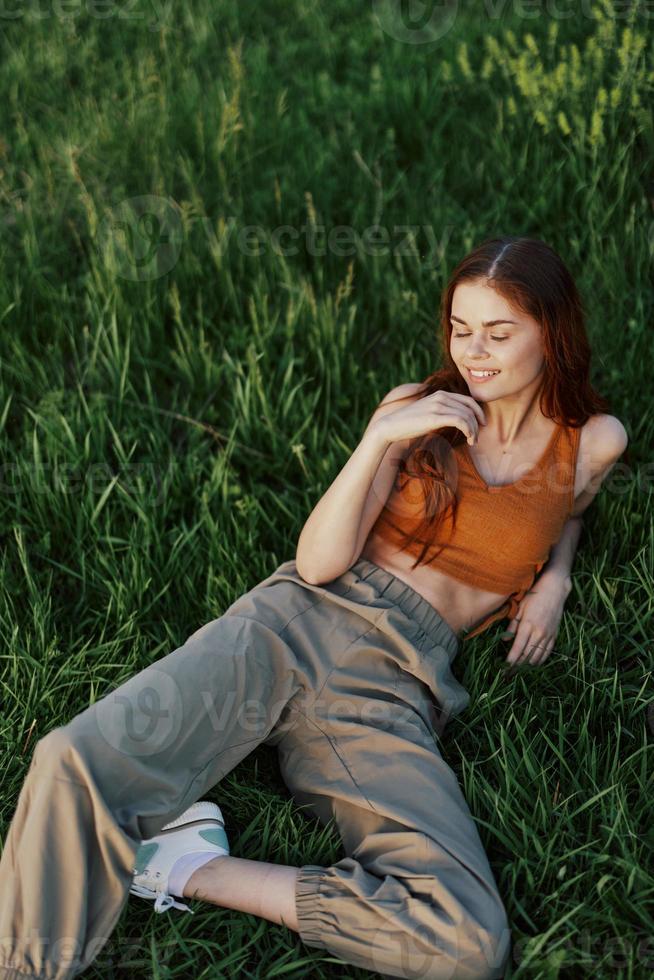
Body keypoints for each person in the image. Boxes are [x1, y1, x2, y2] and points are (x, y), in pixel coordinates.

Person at [0, 235, 629, 980]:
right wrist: (379, 440)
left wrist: (553, 580)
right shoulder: (416, 410)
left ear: (551, 334)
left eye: (499, 333)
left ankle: (186, 865)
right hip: (300, 618)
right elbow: (319, 562)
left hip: (396, 682)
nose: (474, 353)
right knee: (72, 760)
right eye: (461, 330)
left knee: (464, 939)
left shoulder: (593, 442)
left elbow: (571, 512)